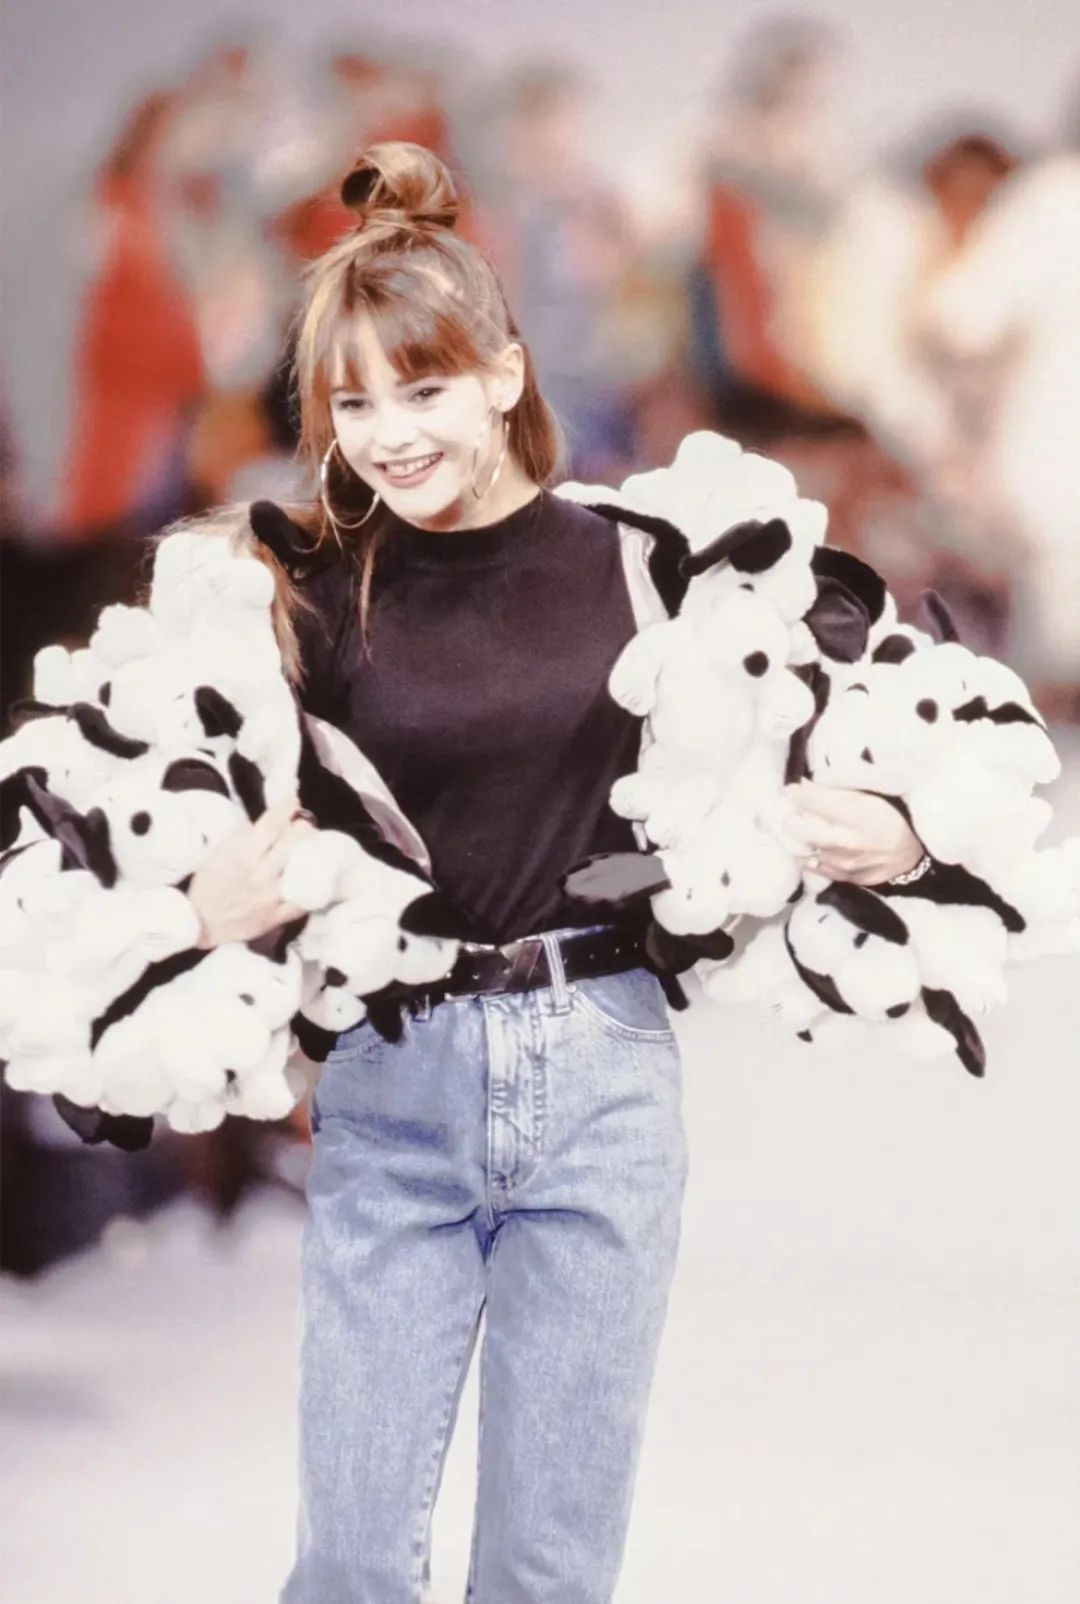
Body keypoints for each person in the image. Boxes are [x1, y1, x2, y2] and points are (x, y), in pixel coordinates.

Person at [181, 142, 925, 1603]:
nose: (388, 434)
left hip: (604, 1078)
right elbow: (143, 819)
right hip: (393, 1086)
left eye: (424, 389)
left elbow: (877, 729)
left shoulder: (650, 566)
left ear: (506, 376)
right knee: (350, 1561)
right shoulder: (302, 593)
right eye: (352, 402)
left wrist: (895, 833)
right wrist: (204, 910)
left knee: (549, 1566)